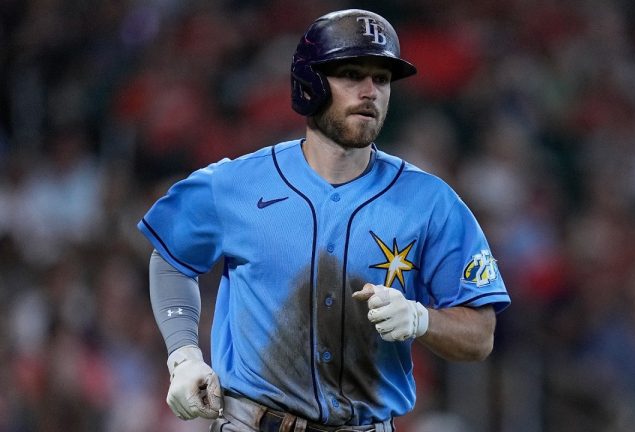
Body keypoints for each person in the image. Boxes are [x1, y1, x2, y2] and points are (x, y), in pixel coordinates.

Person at [137, 8, 510, 432]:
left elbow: (481, 334)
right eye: (351, 75)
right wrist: (183, 354)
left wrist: (423, 319)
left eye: (382, 79)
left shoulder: (430, 202)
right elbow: (171, 259)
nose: (370, 92)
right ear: (309, 84)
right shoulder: (235, 183)